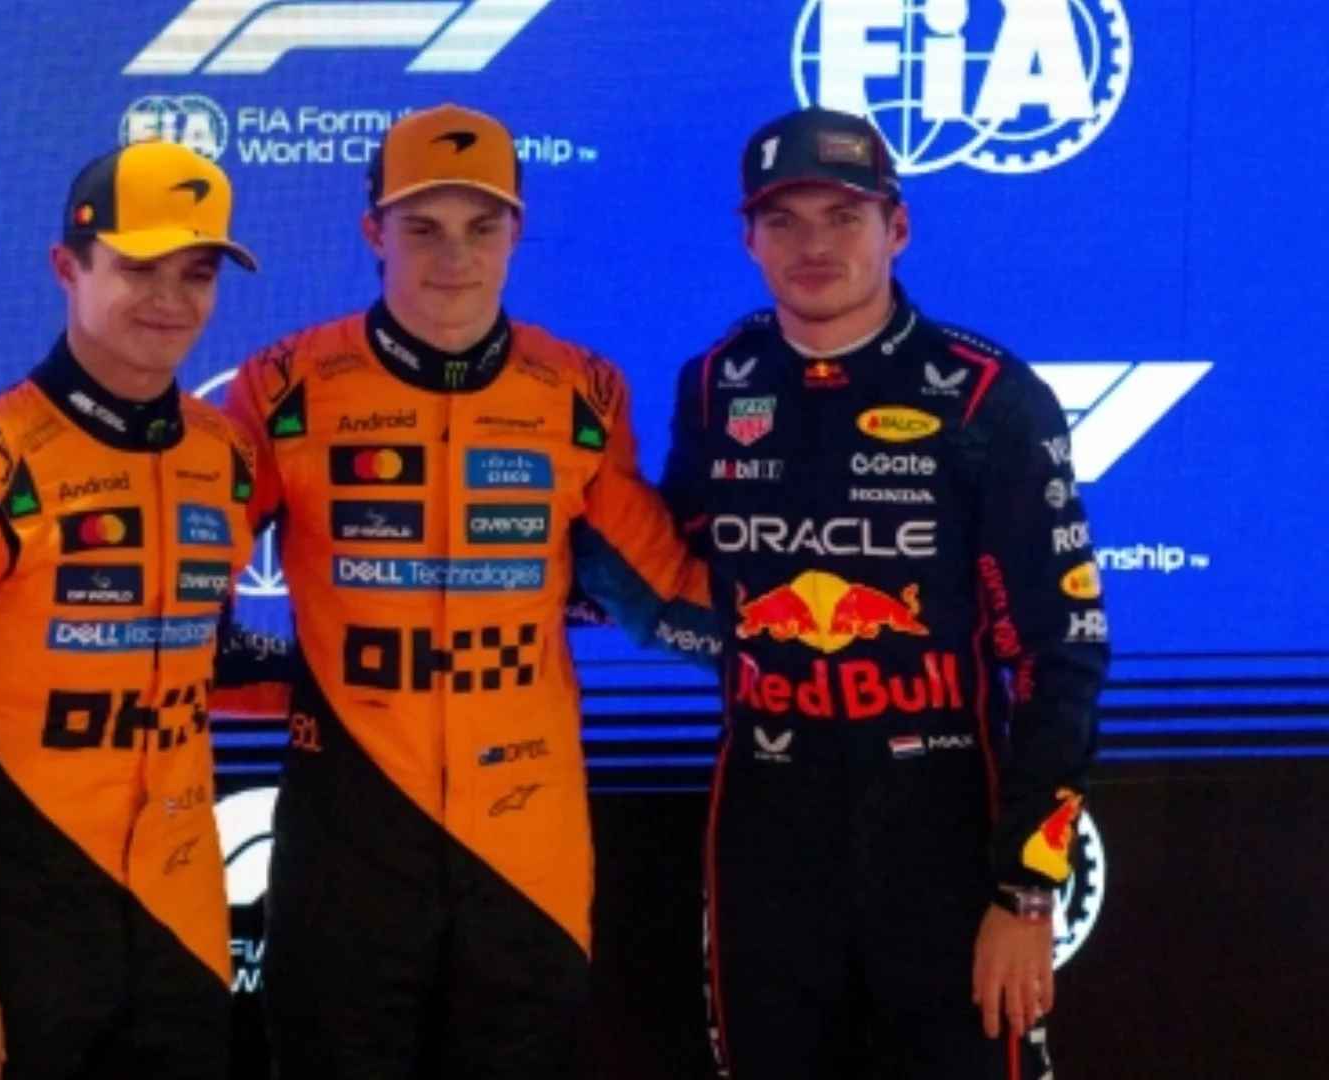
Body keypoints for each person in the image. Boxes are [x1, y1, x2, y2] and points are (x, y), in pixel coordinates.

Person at [220, 103, 720, 1079]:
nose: (455, 257)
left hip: (525, 845)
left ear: (516, 231)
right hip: (350, 840)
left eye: (481, 226)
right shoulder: (285, 384)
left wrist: (825, 630)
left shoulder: (580, 391)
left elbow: (660, 598)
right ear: (374, 232)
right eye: (423, 228)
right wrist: (306, 685)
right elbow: (178, 595)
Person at [659, 106, 1108, 1079]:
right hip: (768, 839)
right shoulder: (716, 386)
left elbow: (1060, 652)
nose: (813, 246)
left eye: (843, 216)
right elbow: (671, 567)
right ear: (747, 238)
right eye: (783, 220)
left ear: (896, 228)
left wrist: (1027, 893)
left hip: (944, 842)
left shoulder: (987, 396)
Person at [0, 139, 289, 1080]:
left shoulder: (225, 455)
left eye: (198, 273)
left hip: (185, 918)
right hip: (22, 917)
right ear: (68, 267)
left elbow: (209, 658)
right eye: (138, 268)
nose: (170, 299)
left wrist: (368, 681)